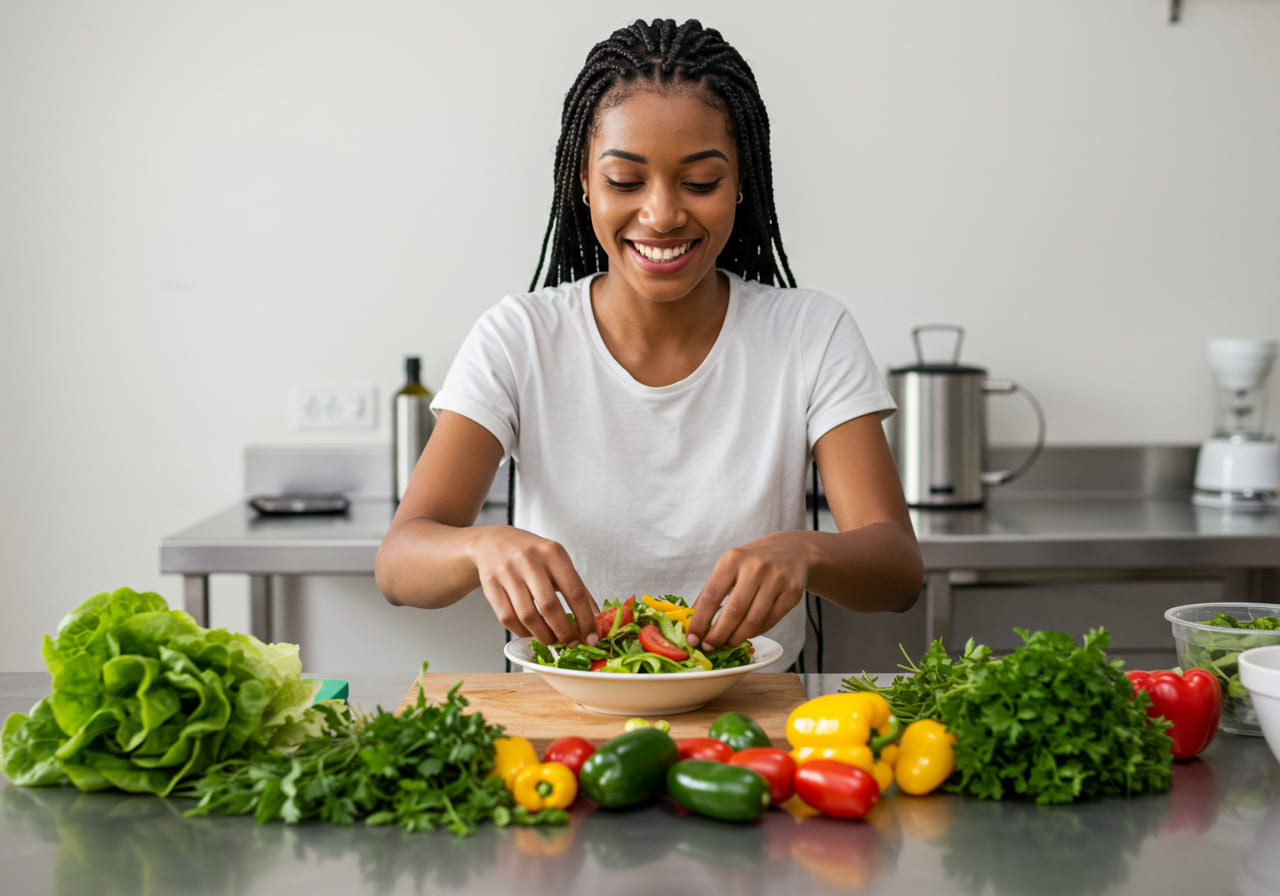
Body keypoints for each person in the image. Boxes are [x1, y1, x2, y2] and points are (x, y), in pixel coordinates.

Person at [374, 18, 923, 671]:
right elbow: (399, 563)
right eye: (625, 182)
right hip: (566, 716)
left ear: (742, 184)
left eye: (700, 183)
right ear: (583, 182)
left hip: (750, 723)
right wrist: (481, 548)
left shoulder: (810, 333)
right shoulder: (519, 337)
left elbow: (896, 572)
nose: (661, 214)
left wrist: (807, 552)